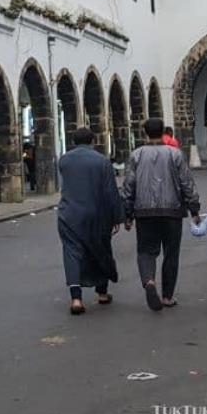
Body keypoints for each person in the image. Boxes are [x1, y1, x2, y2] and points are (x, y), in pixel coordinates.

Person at [122, 118, 201, 311]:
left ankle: (149, 281)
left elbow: (129, 186)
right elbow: (186, 183)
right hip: (172, 211)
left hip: (144, 211)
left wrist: (127, 213)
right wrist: (194, 209)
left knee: (146, 251)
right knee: (171, 253)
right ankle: (167, 296)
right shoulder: (175, 154)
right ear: (163, 132)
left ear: (145, 132)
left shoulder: (136, 155)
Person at [56, 127, 124, 315]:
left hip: (68, 212)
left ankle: (76, 298)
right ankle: (102, 292)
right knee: (100, 249)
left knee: (71, 252)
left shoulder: (64, 160)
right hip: (96, 213)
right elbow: (111, 192)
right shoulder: (102, 161)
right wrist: (117, 216)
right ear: (93, 141)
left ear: (73, 141)